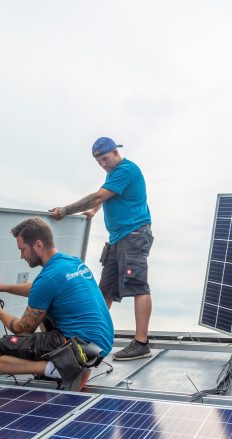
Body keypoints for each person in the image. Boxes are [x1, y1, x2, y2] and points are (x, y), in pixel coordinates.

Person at [0, 217, 114, 391]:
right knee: (45, 309)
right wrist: (3, 287)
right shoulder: (73, 262)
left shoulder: (47, 279)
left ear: (38, 245)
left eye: (23, 250)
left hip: (79, 348)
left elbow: (22, 329)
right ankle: (68, 362)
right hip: (101, 343)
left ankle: (58, 369)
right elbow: (40, 289)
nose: (21, 256)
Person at [49, 137, 154, 361]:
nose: (103, 164)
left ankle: (141, 343)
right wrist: (94, 211)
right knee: (104, 290)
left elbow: (99, 195)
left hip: (134, 235)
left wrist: (66, 210)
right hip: (118, 238)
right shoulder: (113, 173)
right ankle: (93, 337)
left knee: (138, 286)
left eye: (105, 159)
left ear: (115, 152)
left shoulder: (126, 169)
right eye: (98, 161)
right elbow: (104, 195)